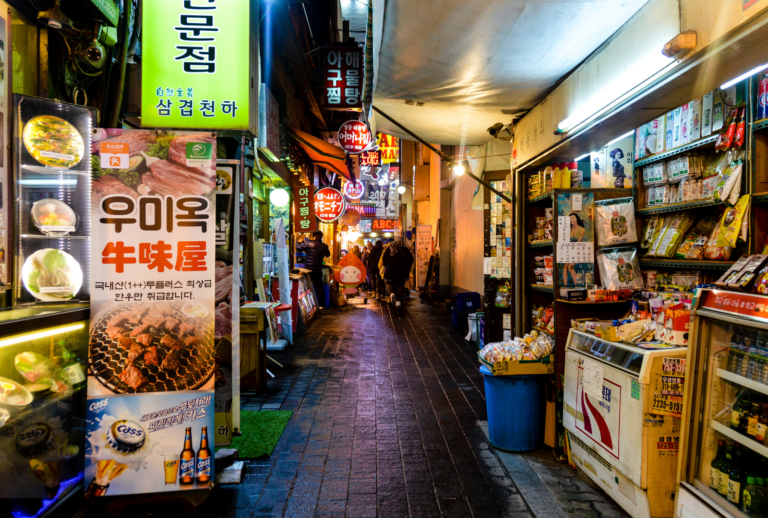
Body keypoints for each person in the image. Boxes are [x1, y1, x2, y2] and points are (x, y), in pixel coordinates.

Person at [297, 230, 330, 306]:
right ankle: (321, 305)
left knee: (308, 287)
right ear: (321, 237)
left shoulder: (308, 244)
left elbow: (298, 247)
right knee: (319, 287)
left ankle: (309, 305)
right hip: (318, 269)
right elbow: (328, 254)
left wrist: (299, 241)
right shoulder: (324, 246)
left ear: (314, 237)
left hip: (308, 269)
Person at [381, 236, 414, 307]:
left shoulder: (389, 248)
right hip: (401, 270)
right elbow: (411, 259)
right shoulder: (405, 249)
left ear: (395, 241)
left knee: (389, 282)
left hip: (390, 269)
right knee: (400, 285)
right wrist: (407, 266)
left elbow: (384, 258)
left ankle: (391, 293)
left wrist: (387, 265)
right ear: (402, 242)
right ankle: (398, 301)